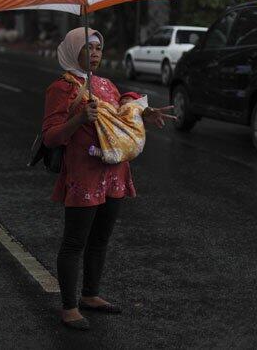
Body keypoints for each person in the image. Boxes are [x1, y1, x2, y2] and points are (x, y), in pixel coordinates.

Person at [42, 27, 176, 331]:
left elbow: (118, 116)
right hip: (84, 175)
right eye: (87, 48)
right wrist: (79, 118)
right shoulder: (62, 88)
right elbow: (51, 137)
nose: (95, 54)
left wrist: (143, 112)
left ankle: (90, 294)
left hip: (114, 172)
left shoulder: (105, 84)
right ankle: (69, 307)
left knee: (100, 239)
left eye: (99, 48)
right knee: (75, 241)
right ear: (72, 49)